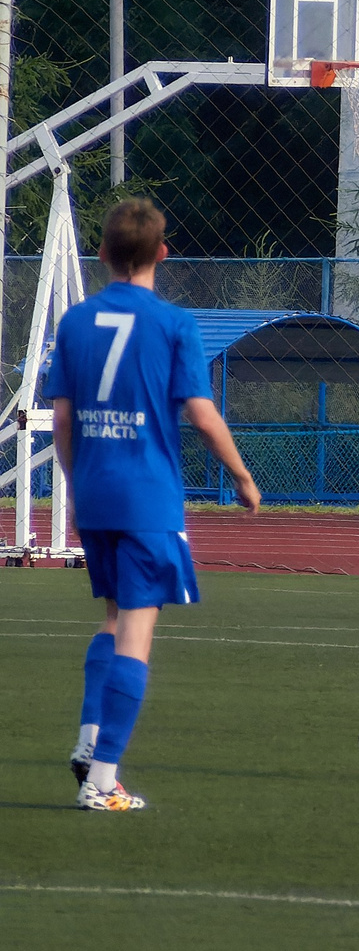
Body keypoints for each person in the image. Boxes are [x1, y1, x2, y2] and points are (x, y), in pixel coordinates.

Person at [55, 199, 262, 812]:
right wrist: (243, 475)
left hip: (94, 493)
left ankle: (91, 742)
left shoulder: (74, 321)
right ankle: (103, 780)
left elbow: (63, 417)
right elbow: (200, 413)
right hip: (147, 497)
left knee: (113, 616)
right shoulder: (175, 323)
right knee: (136, 634)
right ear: (162, 254)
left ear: (102, 254)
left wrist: (77, 477)